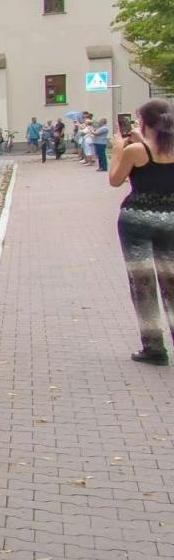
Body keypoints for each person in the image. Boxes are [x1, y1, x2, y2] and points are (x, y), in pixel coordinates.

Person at [109, 101, 174, 365]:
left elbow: (115, 179)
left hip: (136, 220)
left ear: (145, 121)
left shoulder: (136, 150)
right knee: (171, 280)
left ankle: (154, 347)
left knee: (142, 282)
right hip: (170, 217)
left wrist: (117, 150)